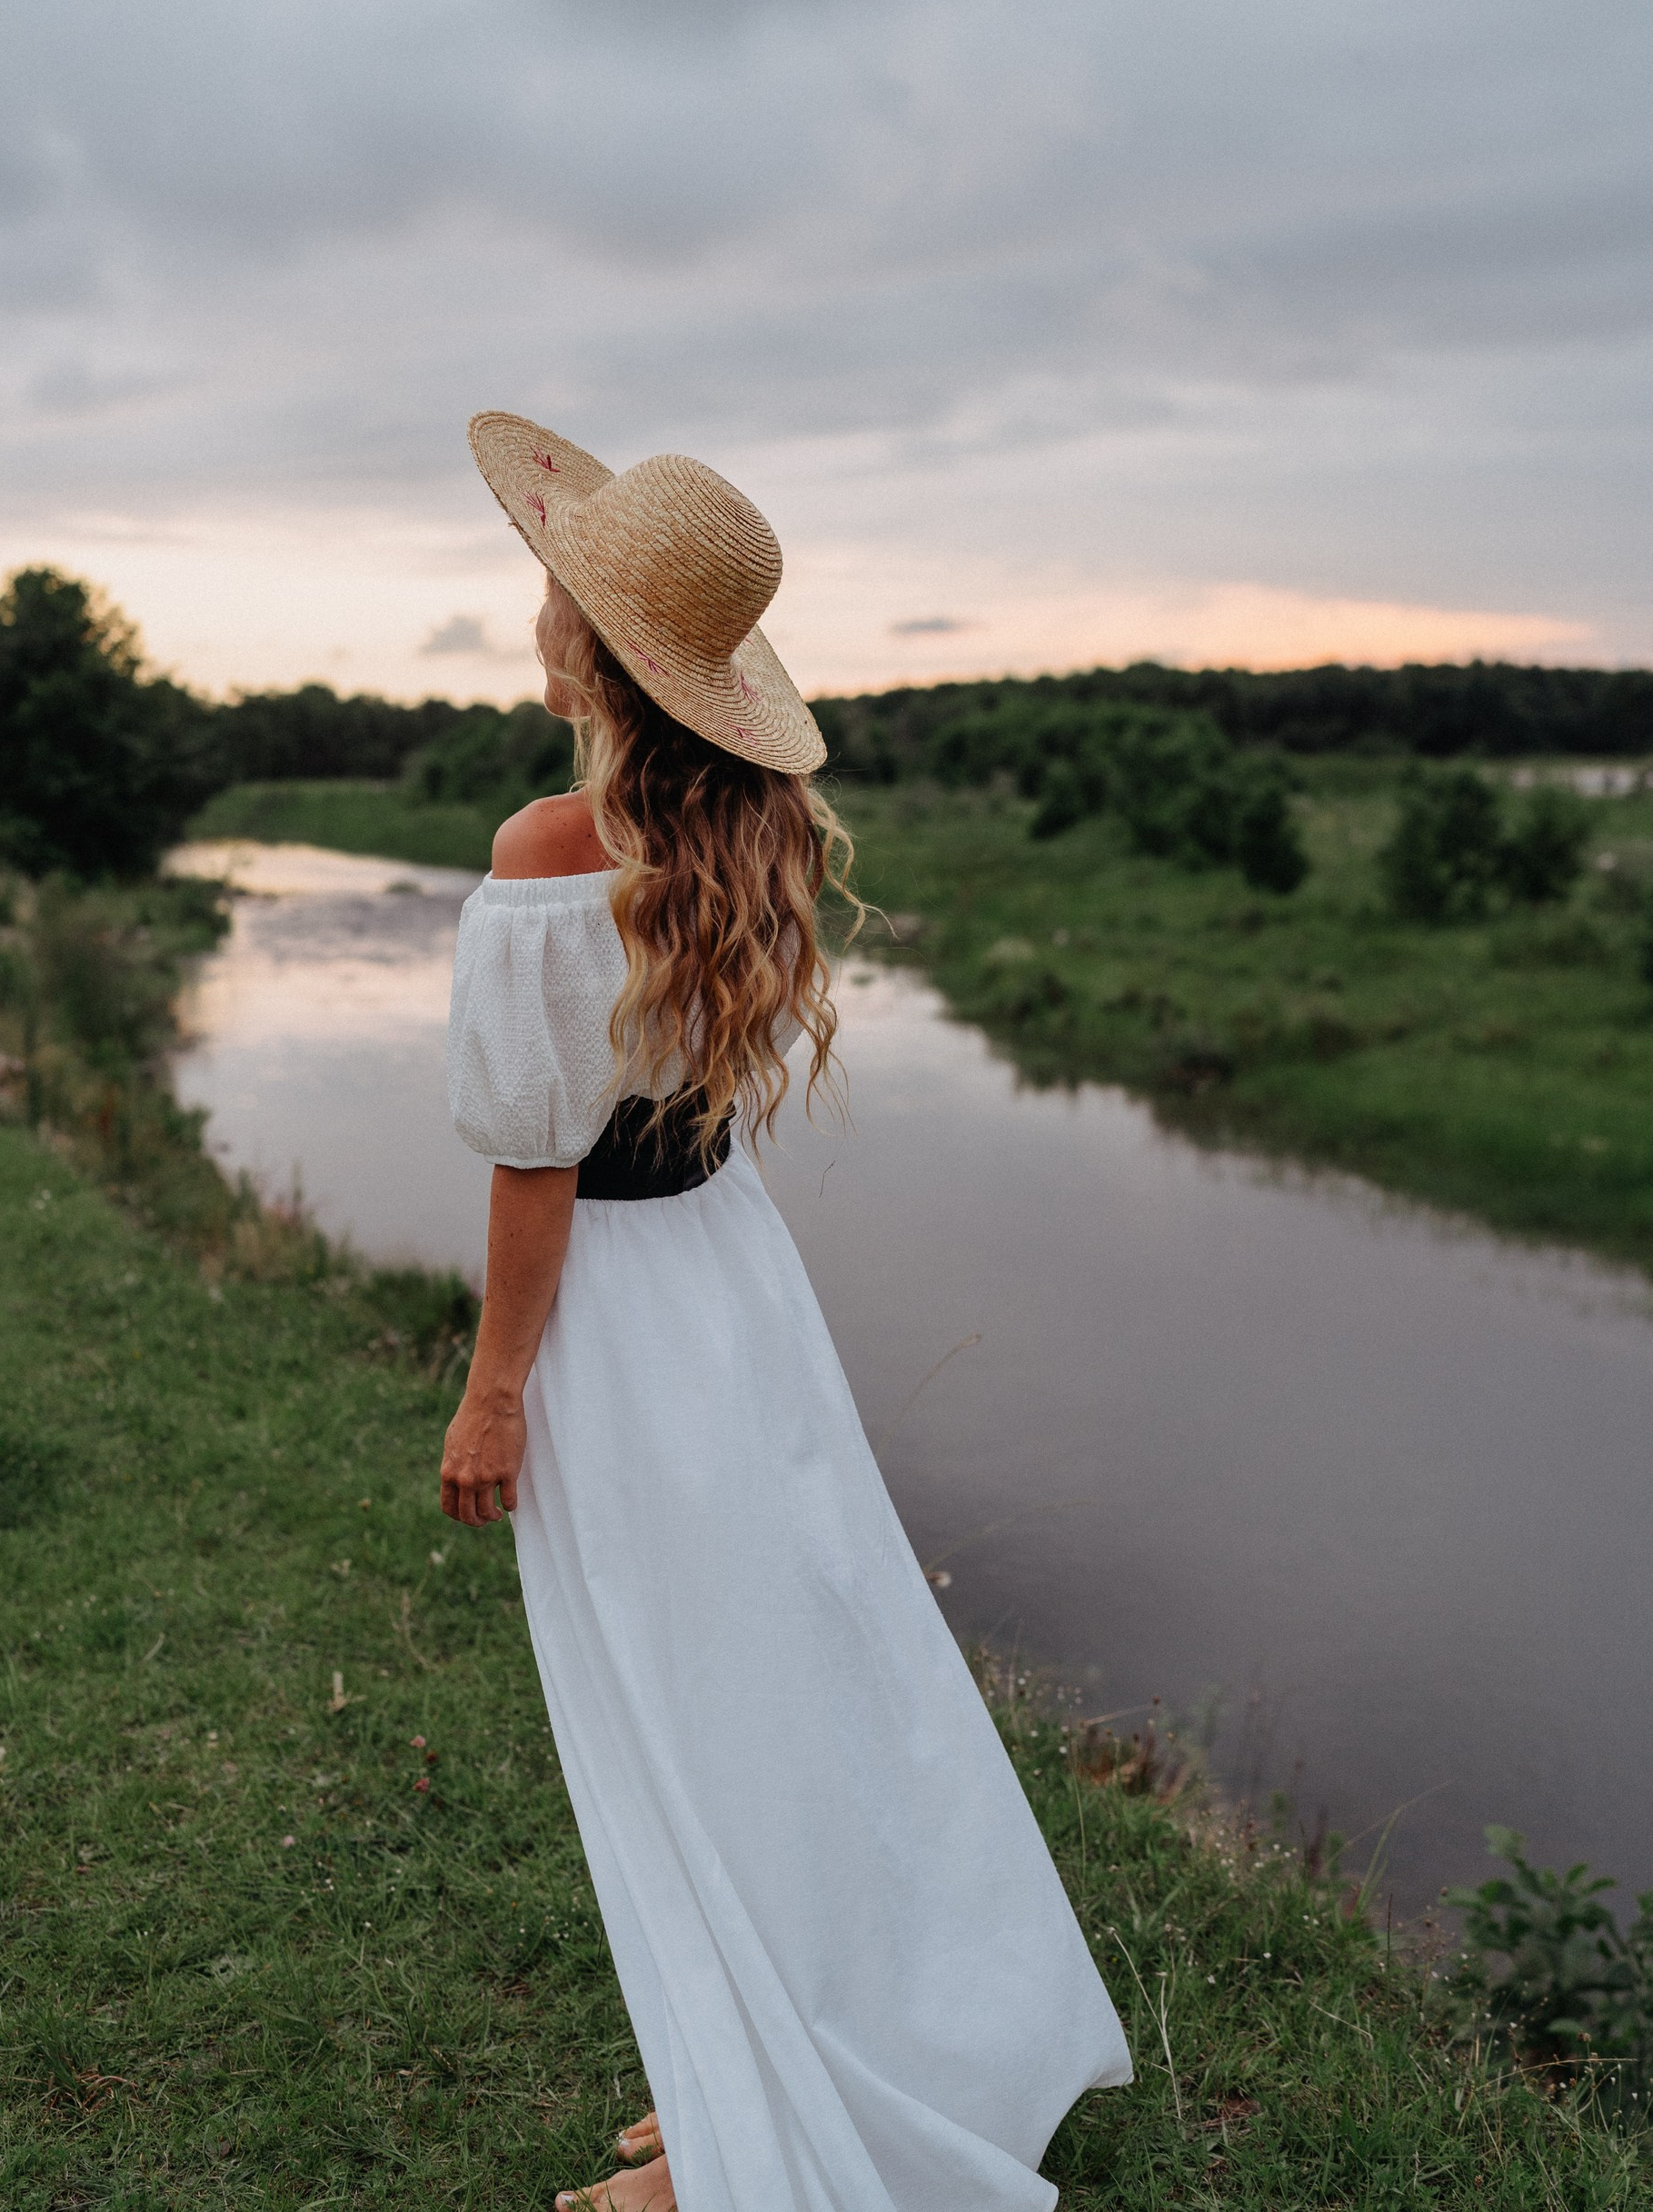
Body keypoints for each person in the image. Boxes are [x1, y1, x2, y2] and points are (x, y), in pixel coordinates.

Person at [440, 414, 1130, 2212]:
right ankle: (744, 2054)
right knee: (781, 1685)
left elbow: (534, 1166)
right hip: (734, 1291)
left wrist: (494, 1388)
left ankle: (750, 2136)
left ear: (590, 647)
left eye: (556, 595)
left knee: (676, 1705)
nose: (540, 615)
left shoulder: (542, 850)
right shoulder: (752, 828)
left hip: (621, 1323)